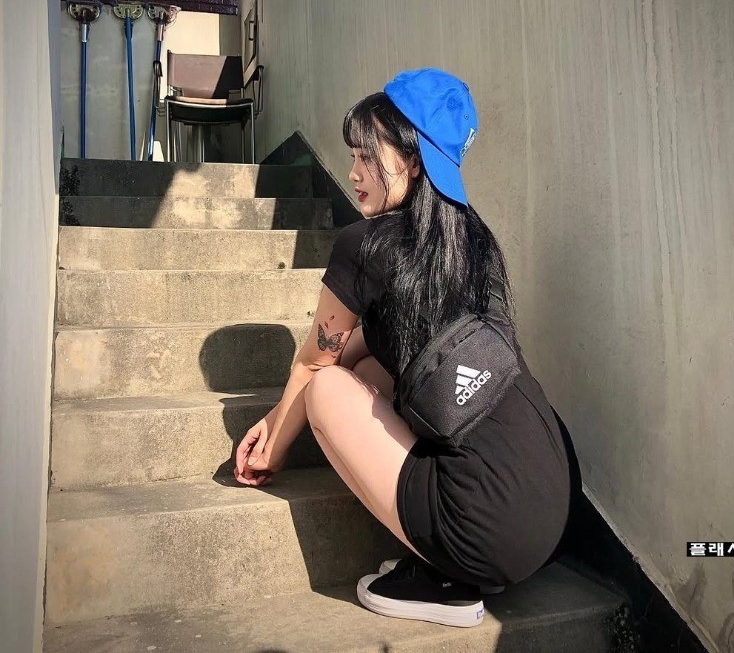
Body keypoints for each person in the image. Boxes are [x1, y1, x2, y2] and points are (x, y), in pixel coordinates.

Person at [234, 68, 578, 629]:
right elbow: (362, 346)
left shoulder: (364, 245)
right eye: (353, 156)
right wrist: (285, 409)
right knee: (371, 366)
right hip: (553, 502)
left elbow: (316, 362)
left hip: (483, 532)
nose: (352, 172)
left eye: (367, 156)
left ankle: (444, 580)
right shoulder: (470, 242)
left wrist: (273, 444)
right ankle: (456, 542)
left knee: (327, 389)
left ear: (413, 161)